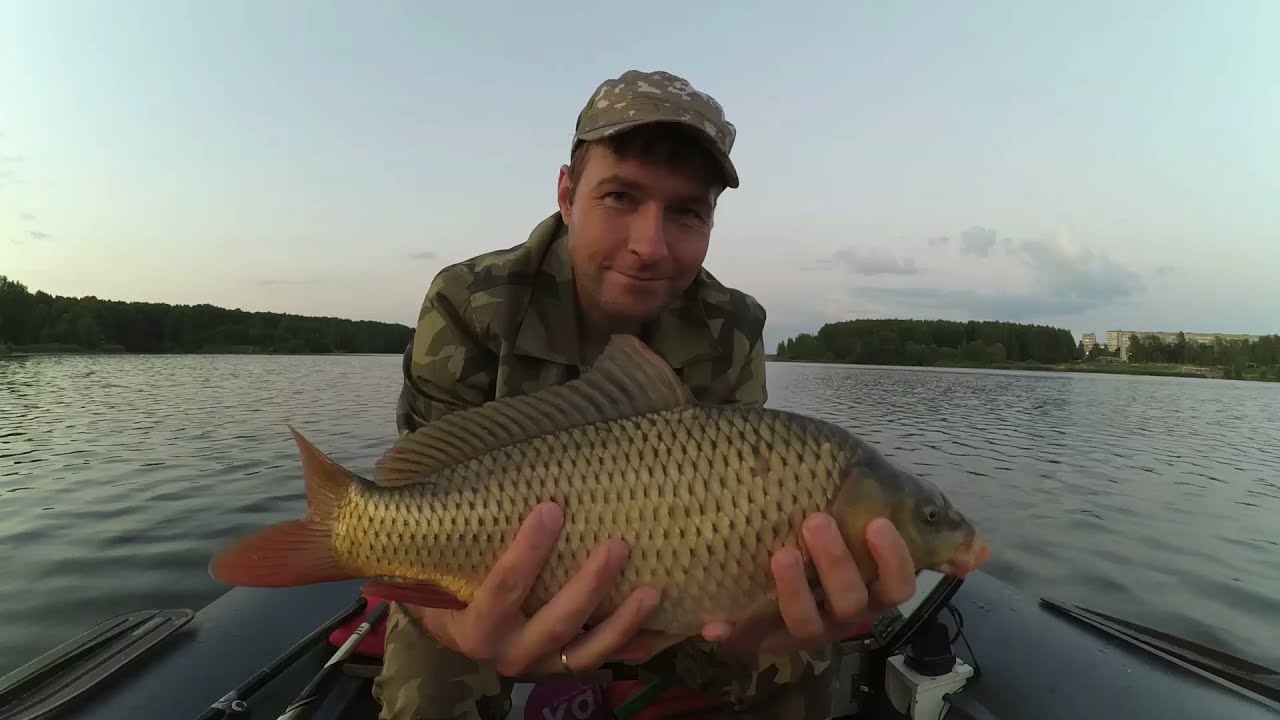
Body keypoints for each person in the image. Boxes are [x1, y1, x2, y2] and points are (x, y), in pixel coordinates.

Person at [372, 69, 919, 720]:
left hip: (674, 584)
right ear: (568, 195)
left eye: (687, 211)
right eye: (621, 197)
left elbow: (746, 513)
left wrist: (759, 615)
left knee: (800, 660)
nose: (649, 247)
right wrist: (458, 629)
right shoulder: (471, 301)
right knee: (428, 691)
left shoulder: (731, 326)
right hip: (481, 576)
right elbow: (416, 493)